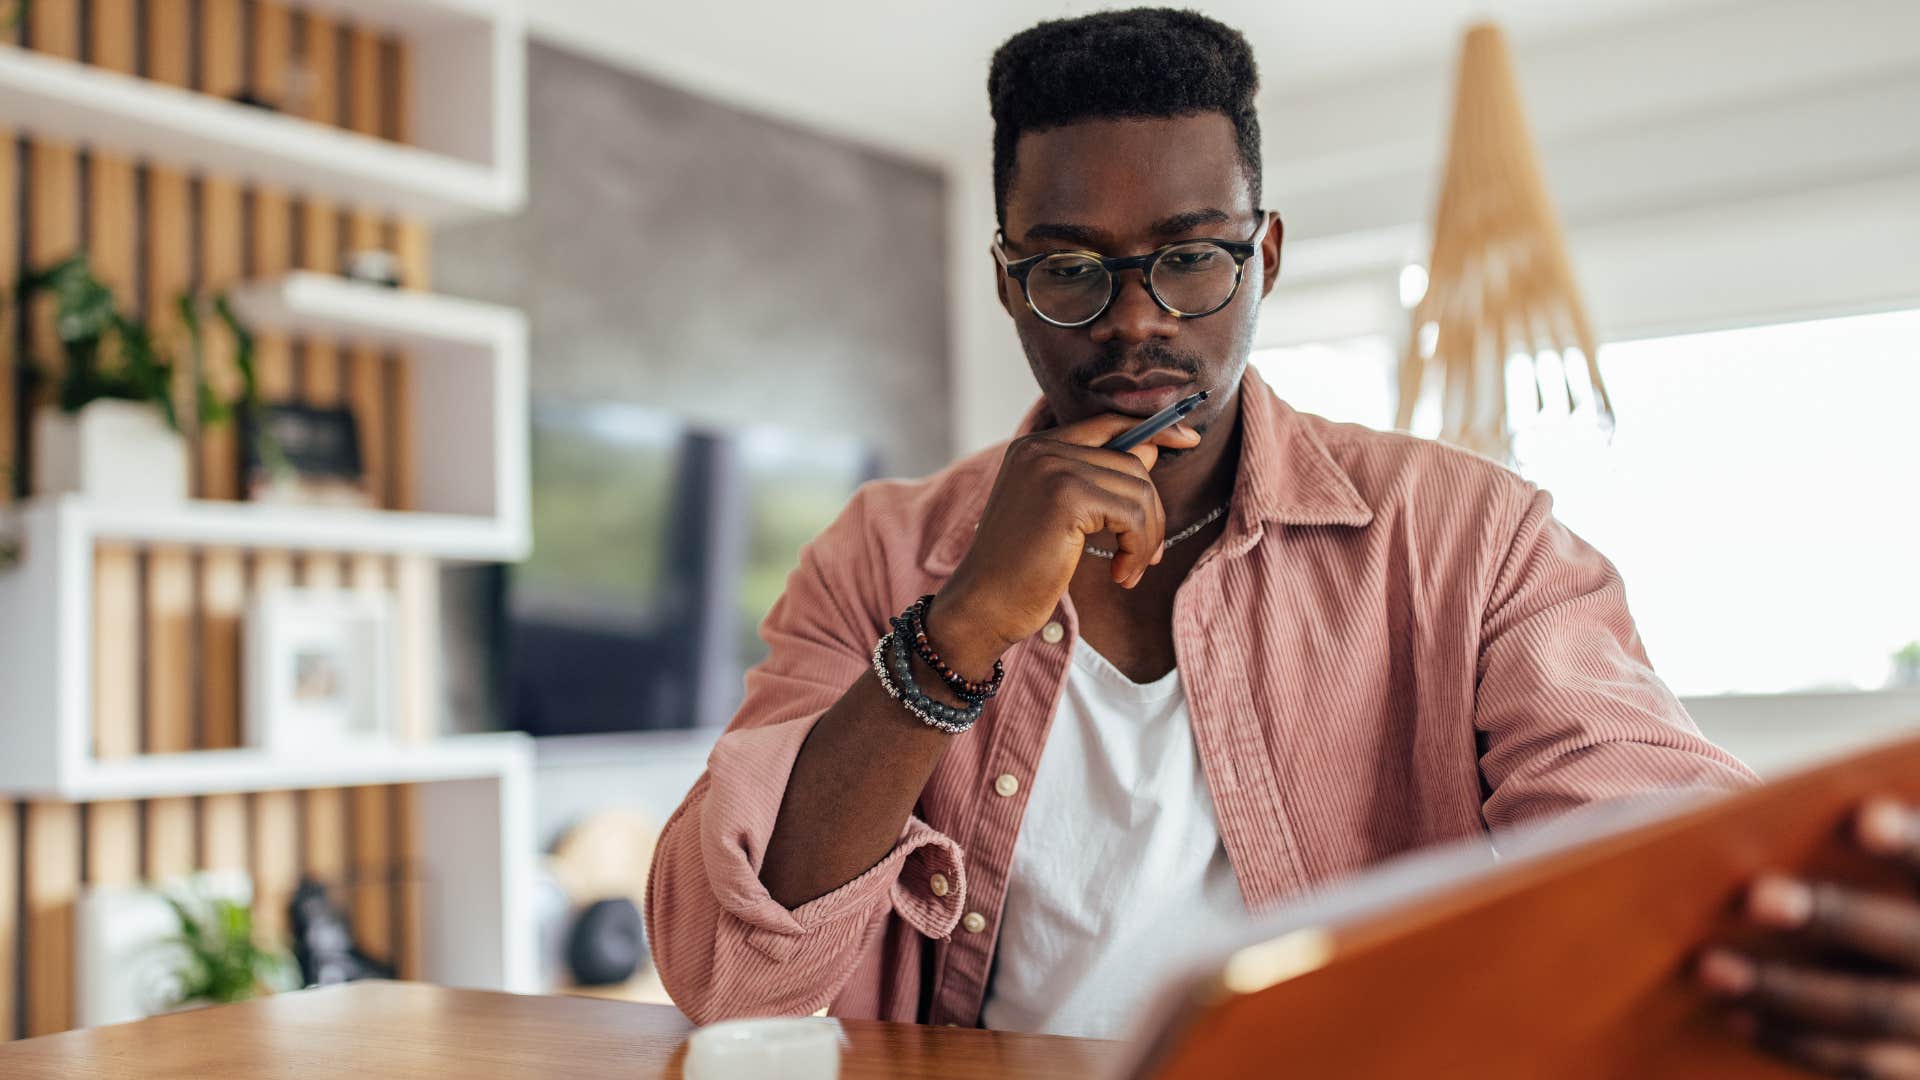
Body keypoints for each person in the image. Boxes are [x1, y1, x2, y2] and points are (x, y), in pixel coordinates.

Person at [647, 9, 1920, 1067]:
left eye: (1191, 258)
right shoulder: (884, 551)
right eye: (1071, 268)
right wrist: (958, 630)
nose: (1136, 323)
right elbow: (727, 972)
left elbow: (1645, 848)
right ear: (1004, 275)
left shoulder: (1468, 538)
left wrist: (1813, 922)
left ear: (1265, 256)